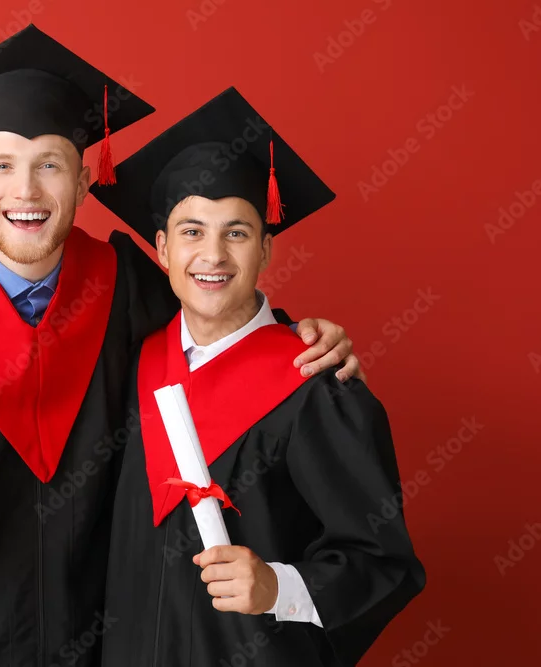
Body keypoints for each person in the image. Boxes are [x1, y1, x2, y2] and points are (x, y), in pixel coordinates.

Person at [0, 26, 363, 667]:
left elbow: (215, 325)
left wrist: (298, 336)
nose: (26, 191)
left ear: (84, 182)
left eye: (50, 165)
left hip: (94, 646)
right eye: (3, 166)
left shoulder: (126, 289)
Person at [90, 87, 425, 667]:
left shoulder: (317, 385)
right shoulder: (129, 366)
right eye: (191, 231)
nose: (213, 255)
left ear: (266, 250)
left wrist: (279, 586)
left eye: (237, 233)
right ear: (163, 249)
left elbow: (383, 563)